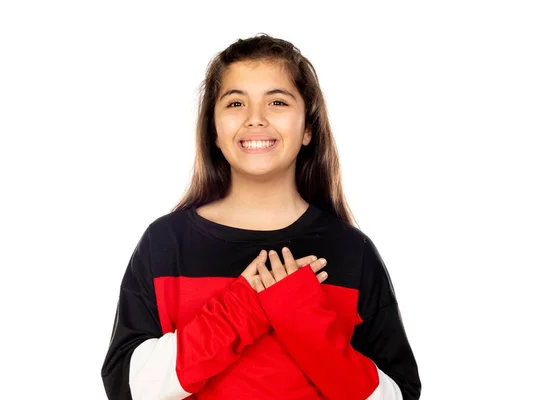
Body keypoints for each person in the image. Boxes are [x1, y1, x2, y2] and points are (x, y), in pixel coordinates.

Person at [101, 33, 421, 400]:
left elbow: (401, 395)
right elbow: (126, 388)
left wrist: (304, 322)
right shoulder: (165, 244)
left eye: (278, 102)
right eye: (236, 102)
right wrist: (241, 310)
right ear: (214, 132)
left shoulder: (352, 251)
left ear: (308, 129)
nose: (255, 119)